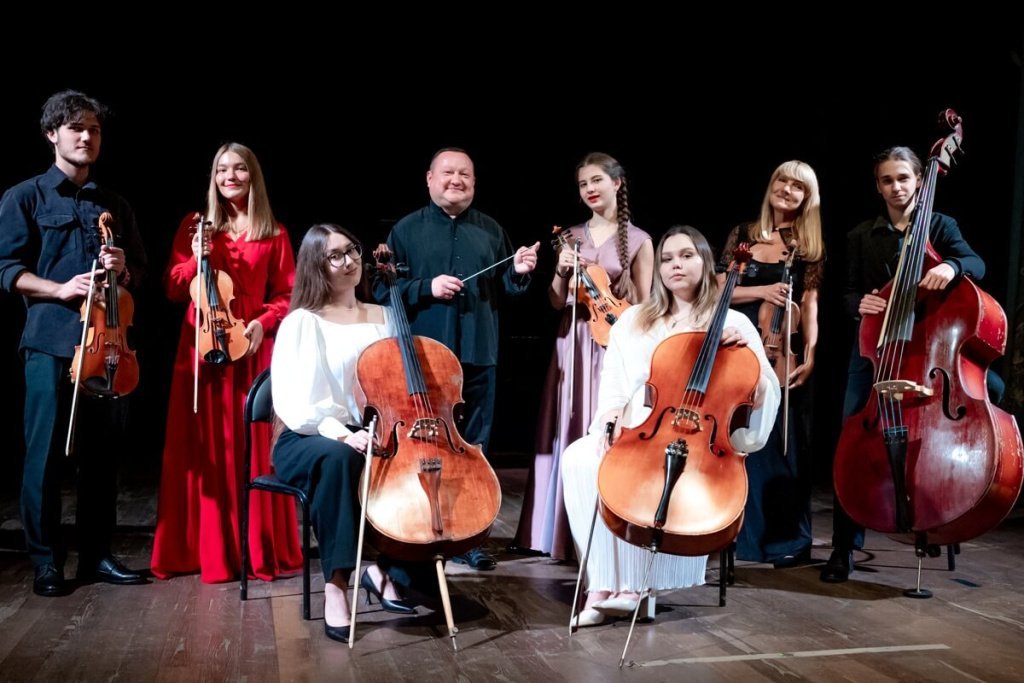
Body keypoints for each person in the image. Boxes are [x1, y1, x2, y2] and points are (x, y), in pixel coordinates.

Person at [561, 225, 780, 626]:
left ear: (705, 262)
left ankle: (636, 587)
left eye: (686, 256)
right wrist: (608, 418)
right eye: (666, 259)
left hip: (695, 439)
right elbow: (613, 383)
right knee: (579, 459)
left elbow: (765, 391)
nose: (675, 265)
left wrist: (742, 357)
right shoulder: (634, 320)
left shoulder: (732, 322)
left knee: (658, 472)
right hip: (637, 430)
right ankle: (600, 585)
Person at [0, 90, 148, 596]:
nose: (86, 137)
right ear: (52, 134)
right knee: (44, 456)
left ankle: (97, 555)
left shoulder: (115, 205)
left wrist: (123, 269)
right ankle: (46, 561)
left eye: (94, 130)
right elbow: (7, 270)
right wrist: (59, 289)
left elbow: (139, 272)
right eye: (75, 128)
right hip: (50, 343)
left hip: (107, 348)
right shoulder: (25, 197)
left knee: (101, 458)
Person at [822, 146, 987, 583]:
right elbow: (847, 294)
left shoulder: (940, 225)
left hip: (929, 350)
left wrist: (952, 267)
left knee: (990, 395)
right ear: (877, 186)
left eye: (903, 178)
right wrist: (859, 303)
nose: (896, 187)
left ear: (919, 180)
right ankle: (843, 547)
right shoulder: (861, 235)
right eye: (887, 180)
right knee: (852, 438)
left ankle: (940, 515)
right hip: (877, 350)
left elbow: (977, 263)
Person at [380, 147, 540, 570]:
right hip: (424, 363)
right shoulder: (405, 230)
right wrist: (426, 287)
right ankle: (417, 529)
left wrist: (519, 271)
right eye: (448, 172)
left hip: (478, 354)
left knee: (474, 449)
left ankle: (469, 537)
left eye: (465, 174)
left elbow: (508, 287)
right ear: (429, 178)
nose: (457, 180)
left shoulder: (491, 230)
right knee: (423, 449)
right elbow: (382, 289)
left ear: (474, 182)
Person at [151, 142, 302, 583]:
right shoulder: (196, 226)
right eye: (221, 170)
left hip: (250, 348)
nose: (229, 177)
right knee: (203, 448)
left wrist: (262, 323)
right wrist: (194, 259)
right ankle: (205, 550)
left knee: (251, 446)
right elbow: (173, 287)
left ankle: (256, 549)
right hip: (201, 350)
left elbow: (288, 295)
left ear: (253, 176)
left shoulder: (274, 233)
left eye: (239, 169)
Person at [271, 223, 416, 643]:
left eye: (352, 250)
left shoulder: (385, 316)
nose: (349, 261)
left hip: (372, 430)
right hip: (309, 434)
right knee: (341, 459)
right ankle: (336, 585)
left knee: (415, 462)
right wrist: (341, 434)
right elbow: (298, 404)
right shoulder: (303, 322)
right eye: (335, 256)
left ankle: (385, 569)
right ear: (316, 266)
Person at [512, 152, 653, 560]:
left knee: (605, 430)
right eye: (583, 184)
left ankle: (605, 533)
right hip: (572, 341)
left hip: (613, 344)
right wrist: (560, 270)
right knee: (566, 427)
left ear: (616, 183)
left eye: (596, 181)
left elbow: (645, 308)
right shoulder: (570, 236)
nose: (589, 189)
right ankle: (557, 534)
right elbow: (557, 301)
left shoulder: (639, 240)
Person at [718, 160, 824, 566]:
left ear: (807, 198)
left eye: (798, 186)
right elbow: (720, 289)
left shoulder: (808, 246)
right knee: (737, 437)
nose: (787, 189)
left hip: (779, 352)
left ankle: (785, 541)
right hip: (739, 346)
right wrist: (763, 291)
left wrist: (810, 352)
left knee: (782, 444)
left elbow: (809, 303)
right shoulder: (744, 234)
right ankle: (733, 532)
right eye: (782, 180)